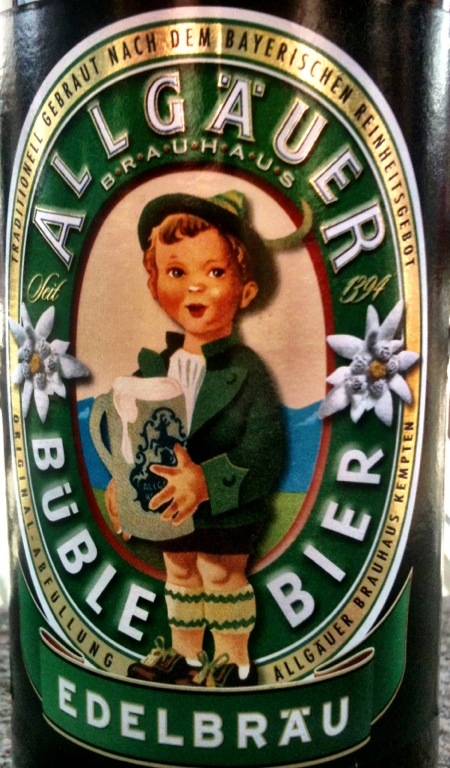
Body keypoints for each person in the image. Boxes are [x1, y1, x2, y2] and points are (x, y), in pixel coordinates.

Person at [107, 190, 285, 687]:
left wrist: (206, 482)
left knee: (221, 575)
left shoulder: (247, 372)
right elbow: (128, 431)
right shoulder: (154, 368)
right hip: (169, 503)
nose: (195, 287)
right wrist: (122, 481)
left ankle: (232, 660)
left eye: (216, 271)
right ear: (154, 285)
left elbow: (265, 449)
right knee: (180, 573)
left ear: (245, 291)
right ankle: (184, 656)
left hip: (227, 506)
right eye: (176, 272)